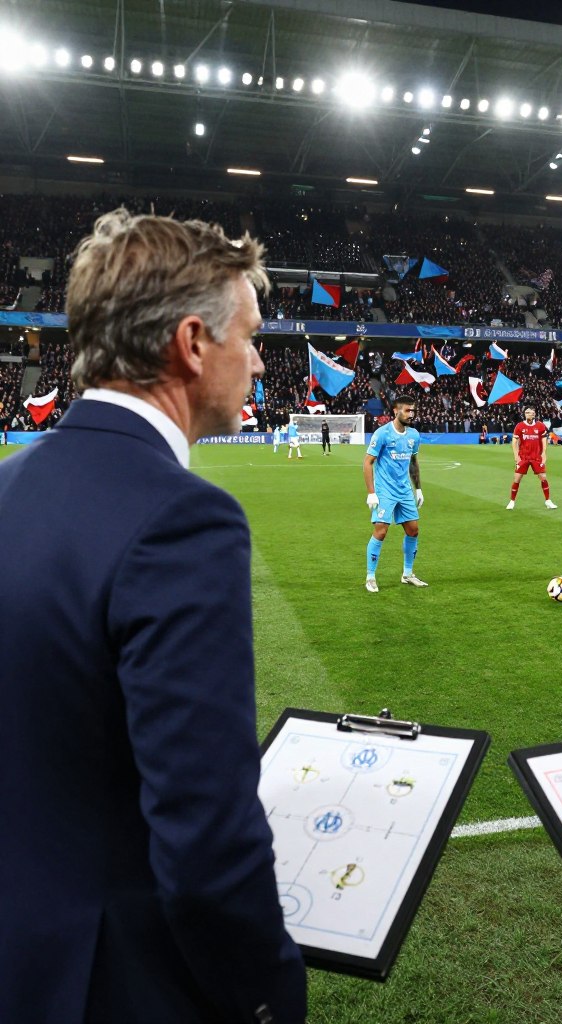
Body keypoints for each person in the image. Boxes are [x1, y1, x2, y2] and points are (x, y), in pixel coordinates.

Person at [0, 209, 306, 1023]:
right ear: (192, 342)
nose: (259, 360)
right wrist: (269, 1000)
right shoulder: (182, 518)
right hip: (110, 985)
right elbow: (206, 833)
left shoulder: (8, 487)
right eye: (251, 335)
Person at [363, 393, 426, 591]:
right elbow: (368, 462)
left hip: (404, 490)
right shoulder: (382, 433)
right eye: (407, 410)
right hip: (385, 491)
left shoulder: (414, 435)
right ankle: (370, 577)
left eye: (413, 410)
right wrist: (371, 492)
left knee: (413, 530)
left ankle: (407, 574)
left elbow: (413, 462)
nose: (411, 414)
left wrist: (418, 489)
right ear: (396, 411)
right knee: (381, 530)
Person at [507, 405, 557, 509]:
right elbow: (514, 442)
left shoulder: (540, 426)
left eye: (532, 412)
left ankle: (548, 501)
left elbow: (544, 440)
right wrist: (516, 456)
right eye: (528, 412)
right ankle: (512, 501)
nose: (531, 414)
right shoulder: (520, 426)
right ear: (525, 414)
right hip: (523, 457)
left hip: (536, 456)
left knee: (543, 477)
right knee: (517, 478)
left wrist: (544, 453)